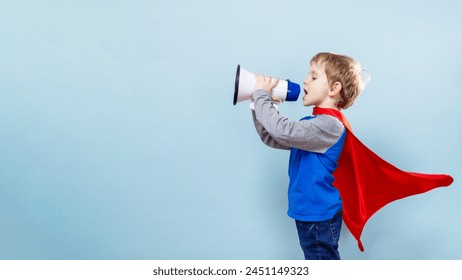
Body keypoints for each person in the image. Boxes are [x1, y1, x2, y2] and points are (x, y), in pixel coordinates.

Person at [250, 52, 366, 260]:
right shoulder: (314, 122)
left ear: (334, 88)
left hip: (318, 214)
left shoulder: (330, 126)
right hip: (310, 211)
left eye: (313, 77)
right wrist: (259, 104)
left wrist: (262, 97)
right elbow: (272, 137)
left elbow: (282, 131)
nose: (305, 80)